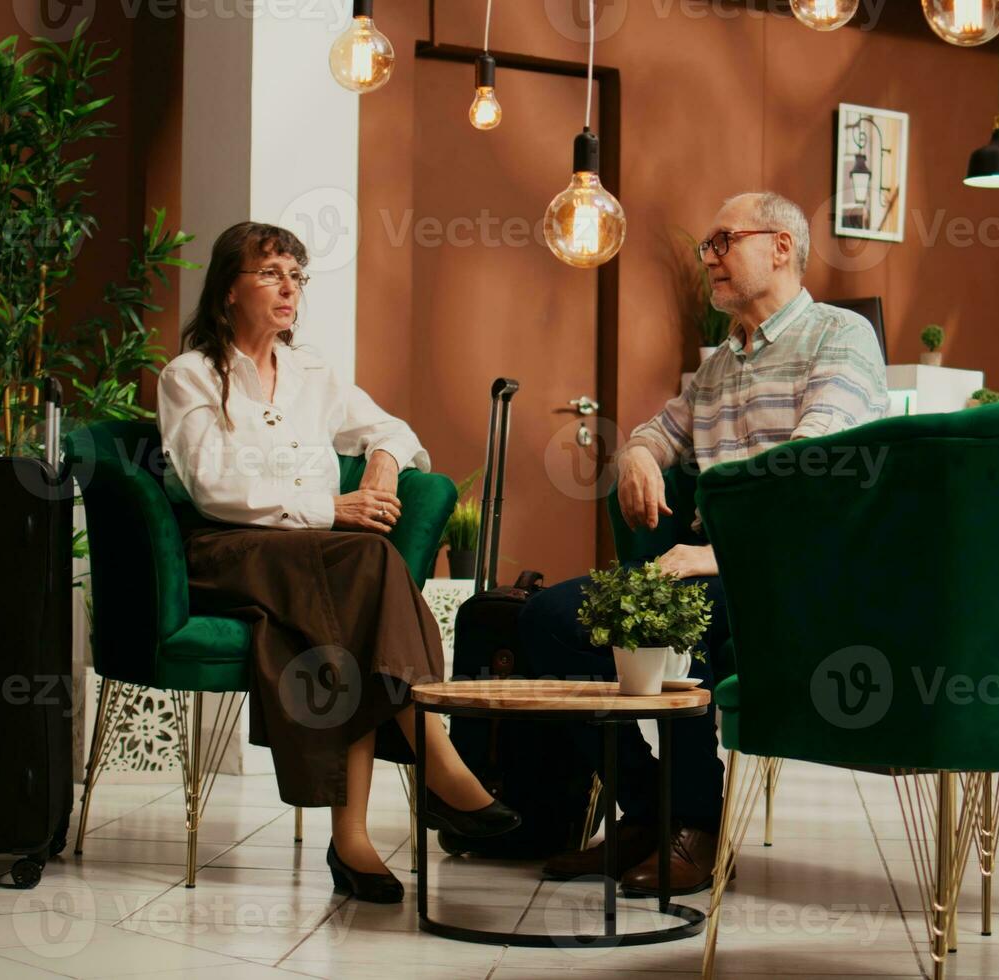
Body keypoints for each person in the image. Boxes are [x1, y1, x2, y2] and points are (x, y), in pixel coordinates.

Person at [520, 192, 889, 895]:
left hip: (796, 573)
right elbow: (664, 429)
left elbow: (809, 481)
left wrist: (714, 556)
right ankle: (647, 809)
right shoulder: (723, 361)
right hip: (706, 566)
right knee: (546, 621)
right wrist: (634, 456)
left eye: (724, 241)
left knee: (674, 607)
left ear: (780, 247)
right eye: (708, 244)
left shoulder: (836, 338)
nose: (709, 257)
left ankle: (695, 822)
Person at [156, 221, 519, 904]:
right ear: (228, 289)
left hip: (311, 560)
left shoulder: (309, 370)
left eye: (297, 274)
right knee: (364, 563)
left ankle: (354, 840)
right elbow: (215, 489)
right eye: (270, 273)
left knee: (354, 602)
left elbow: (393, 430)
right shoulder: (190, 375)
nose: (288, 287)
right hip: (225, 551)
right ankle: (433, 764)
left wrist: (381, 463)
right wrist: (333, 507)